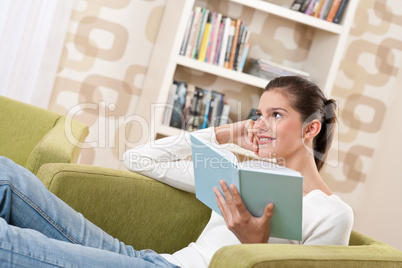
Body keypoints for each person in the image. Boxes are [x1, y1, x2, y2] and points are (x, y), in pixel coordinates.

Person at [0, 76, 353, 267]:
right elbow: (140, 159)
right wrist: (222, 133)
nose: (261, 125)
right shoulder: (243, 172)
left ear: (310, 129)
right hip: (150, 260)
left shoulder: (332, 214)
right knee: (7, 176)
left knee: (8, 243)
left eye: (276, 115)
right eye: (259, 114)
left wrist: (254, 247)